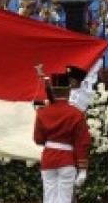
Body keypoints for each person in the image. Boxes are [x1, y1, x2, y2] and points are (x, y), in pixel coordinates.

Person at [33, 73, 91, 203]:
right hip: (67, 160)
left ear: (52, 91)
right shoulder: (76, 113)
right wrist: (82, 169)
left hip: (48, 158)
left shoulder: (42, 112)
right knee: (65, 199)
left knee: (49, 198)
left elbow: (38, 139)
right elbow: (83, 143)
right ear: (69, 91)